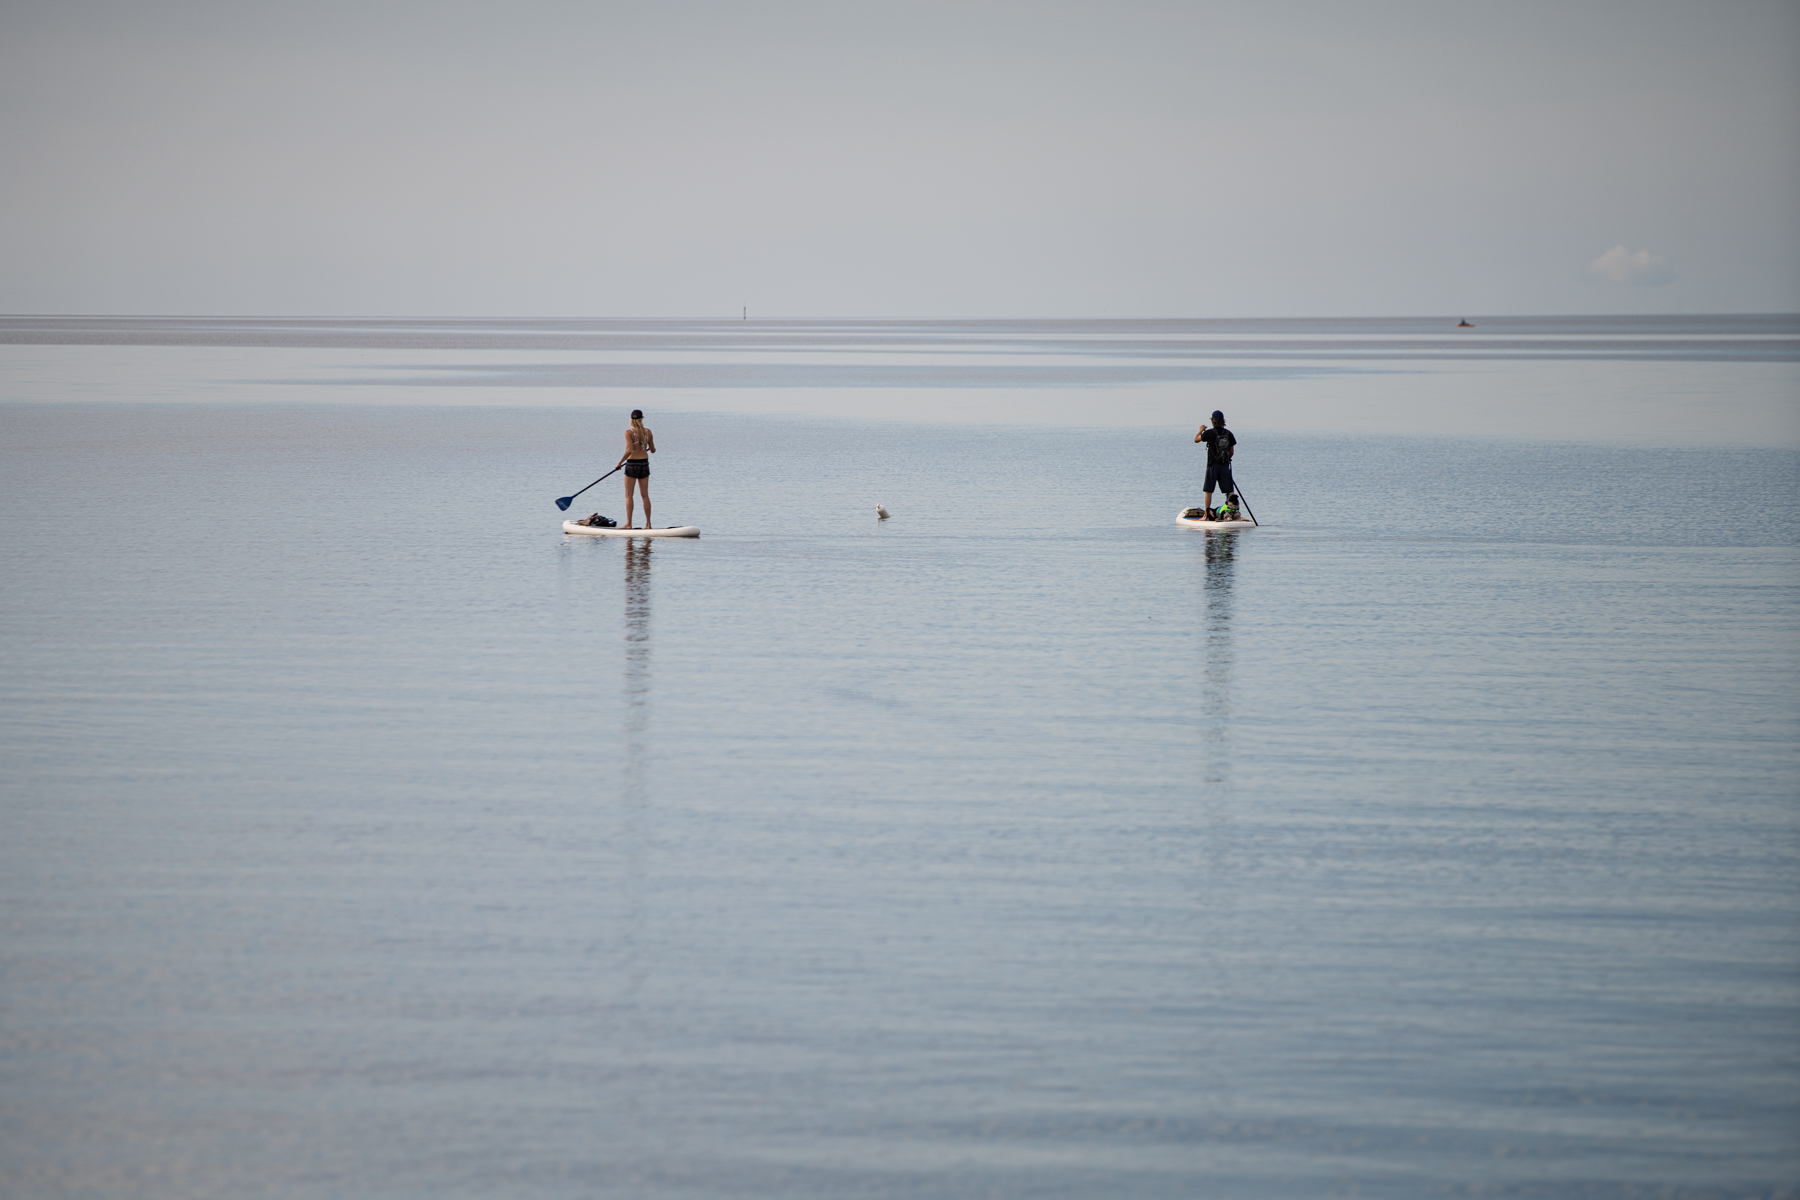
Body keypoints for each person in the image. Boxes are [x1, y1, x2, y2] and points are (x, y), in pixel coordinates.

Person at [615, 409, 655, 529]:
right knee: (645, 495)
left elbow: (629, 450)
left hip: (632, 465)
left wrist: (619, 463)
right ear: (642, 419)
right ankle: (648, 524)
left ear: (631, 420)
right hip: (644, 464)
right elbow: (653, 450)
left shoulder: (629, 432)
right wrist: (646, 446)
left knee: (629, 495)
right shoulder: (648, 432)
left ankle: (629, 524)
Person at [1194, 409, 1236, 517]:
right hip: (1225, 466)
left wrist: (1201, 430)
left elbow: (1196, 439)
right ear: (1223, 421)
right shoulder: (1228, 434)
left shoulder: (1209, 433)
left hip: (1212, 466)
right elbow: (1231, 452)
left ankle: (1205, 516)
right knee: (1230, 491)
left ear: (1213, 421)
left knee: (1208, 491)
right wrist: (1225, 460)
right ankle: (1233, 513)